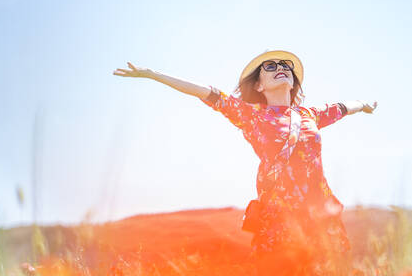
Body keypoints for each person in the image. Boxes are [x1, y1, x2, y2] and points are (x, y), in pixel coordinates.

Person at [113, 50, 378, 275]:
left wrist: (365, 104)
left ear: (293, 82)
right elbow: (205, 93)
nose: (281, 68)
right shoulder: (251, 116)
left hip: (319, 215)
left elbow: (344, 107)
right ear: (259, 85)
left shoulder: (310, 114)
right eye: (270, 67)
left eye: (286, 66)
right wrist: (153, 75)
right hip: (280, 218)